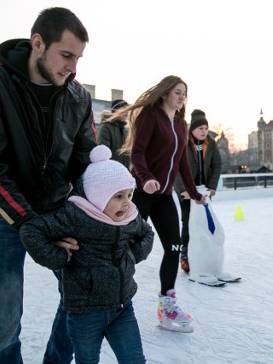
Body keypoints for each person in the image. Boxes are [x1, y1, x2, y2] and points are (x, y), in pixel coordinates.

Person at [0, 7, 95, 364]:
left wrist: (105, 208)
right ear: (38, 43)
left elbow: (85, 165)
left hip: (56, 210)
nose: (72, 67)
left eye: (78, 58)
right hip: (1, 216)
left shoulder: (78, 96)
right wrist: (28, 222)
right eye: (66, 55)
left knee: (82, 297)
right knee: (4, 323)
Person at [19, 145, 154, 364]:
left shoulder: (129, 217)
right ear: (98, 197)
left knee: (135, 360)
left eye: (129, 194)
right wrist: (59, 257)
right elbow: (31, 231)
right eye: (118, 196)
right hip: (86, 313)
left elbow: (147, 234)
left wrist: (132, 254)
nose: (127, 202)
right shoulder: (75, 216)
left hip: (122, 307)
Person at [113, 75, 205, 333]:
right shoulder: (150, 117)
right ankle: (111, 296)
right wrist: (147, 178)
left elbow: (182, 163)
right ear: (165, 93)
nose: (181, 97)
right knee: (126, 246)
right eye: (177, 92)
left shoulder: (180, 123)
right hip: (142, 193)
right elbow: (137, 153)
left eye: (184, 93)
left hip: (164, 197)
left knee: (174, 247)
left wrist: (194, 193)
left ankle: (167, 305)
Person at [174, 109, 222, 274]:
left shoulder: (211, 143)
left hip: (204, 191)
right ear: (192, 130)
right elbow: (176, 168)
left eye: (206, 128)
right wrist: (183, 191)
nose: (204, 131)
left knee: (205, 223)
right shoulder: (183, 143)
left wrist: (213, 187)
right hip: (187, 191)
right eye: (200, 128)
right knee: (187, 223)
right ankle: (185, 256)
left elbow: (217, 165)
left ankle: (203, 256)